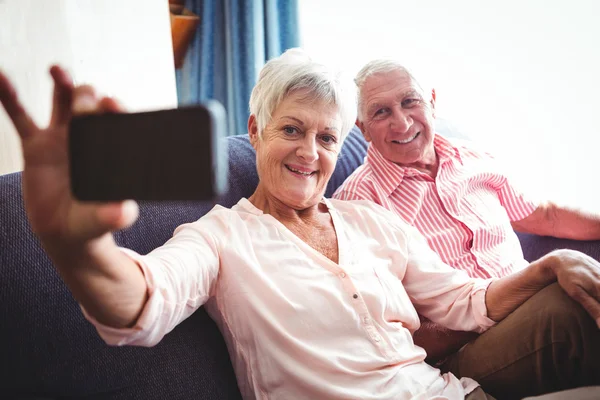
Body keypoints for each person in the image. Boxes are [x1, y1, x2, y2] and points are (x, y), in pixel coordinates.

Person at [1, 49, 599, 400]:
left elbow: (465, 301)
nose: (310, 153)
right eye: (291, 130)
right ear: (256, 132)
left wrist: (551, 264)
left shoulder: (372, 221)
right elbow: (139, 302)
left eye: (327, 137)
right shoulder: (220, 237)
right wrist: (74, 245)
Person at [333, 59, 600, 398]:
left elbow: (545, 217)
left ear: (431, 101)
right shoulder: (357, 206)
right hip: (461, 350)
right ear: (363, 129)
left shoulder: (472, 158)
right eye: (381, 112)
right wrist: (508, 303)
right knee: (568, 308)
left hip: (531, 304)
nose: (401, 123)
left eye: (409, 101)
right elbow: (385, 335)